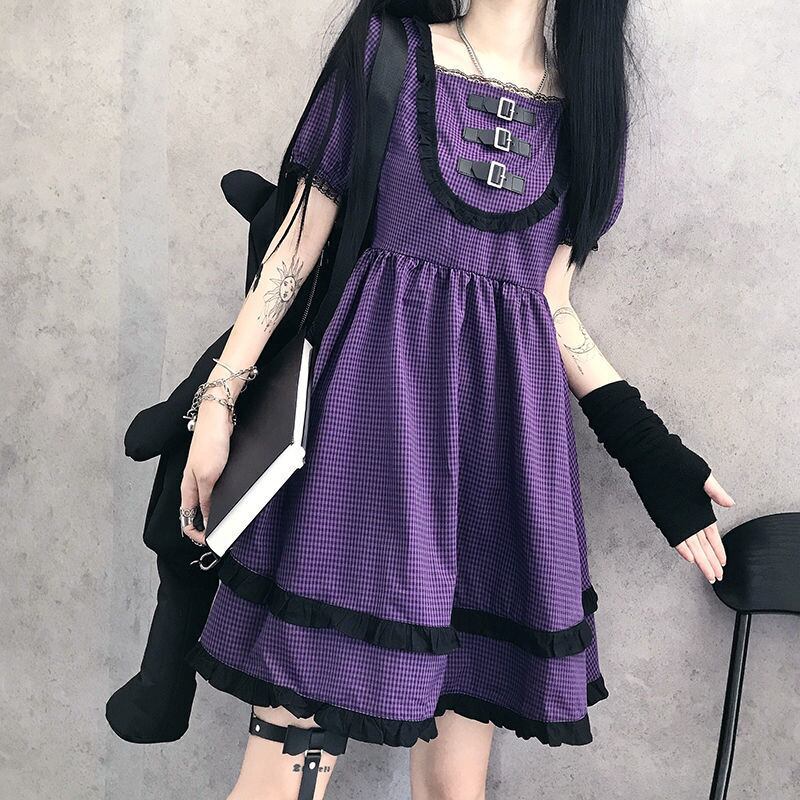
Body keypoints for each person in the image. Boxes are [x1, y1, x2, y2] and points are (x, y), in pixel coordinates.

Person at [178, 2, 734, 798]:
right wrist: (220, 400)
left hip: (497, 464)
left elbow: (551, 306)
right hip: (362, 448)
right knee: (285, 771)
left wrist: (649, 451)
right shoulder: (387, 51)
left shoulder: (589, 115)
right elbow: (293, 251)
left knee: (453, 788)